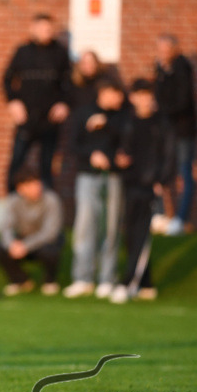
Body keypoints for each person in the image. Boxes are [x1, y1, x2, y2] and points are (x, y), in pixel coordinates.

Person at [110, 79, 175, 304]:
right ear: (133, 97)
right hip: (129, 183)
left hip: (150, 186)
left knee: (142, 235)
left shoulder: (161, 122)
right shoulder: (126, 120)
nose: (144, 99)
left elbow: (169, 154)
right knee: (131, 234)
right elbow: (119, 148)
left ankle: (127, 283)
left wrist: (162, 180)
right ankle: (146, 284)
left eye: (147, 95)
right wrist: (118, 159)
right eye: (139, 95)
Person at [63, 77, 128, 299]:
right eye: (115, 93)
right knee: (85, 225)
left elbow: (126, 142)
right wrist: (92, 155)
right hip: (87, 176)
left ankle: (107, 278)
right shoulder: (83, 113)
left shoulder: (122, 115)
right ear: (104, 91)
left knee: (111, 228)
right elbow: (72, 145)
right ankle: (83, 278)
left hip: (113, 177)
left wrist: (107, 126)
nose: (119, 98)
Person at [2, 13, 72, 192]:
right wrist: (13, 102)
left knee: (47, 165)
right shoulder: (23, 51)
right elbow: (7, 79)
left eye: (49, 29)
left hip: (50, 120)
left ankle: (46, 208)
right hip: (26, 118)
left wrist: (64, 104)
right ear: (33, 29)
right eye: (41, 28)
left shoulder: (60, 53)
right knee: (17, 161)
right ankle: (11, 202)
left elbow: (70, 83)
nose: (46, 32)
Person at [0, 166, 64, 296]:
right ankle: (21, 281)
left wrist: (26, 245)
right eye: (31, 185)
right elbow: (5, 227)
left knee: (51, 251)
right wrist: (11, 244)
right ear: (21, 189)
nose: (36, 188)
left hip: (44, 242)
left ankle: (50, 281)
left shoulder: (51, 200)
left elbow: (50, 232)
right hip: (22, 239)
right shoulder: (13, 201)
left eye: (37, 183)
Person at [153, 34, 197, 236]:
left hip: (182, 131)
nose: (162, 53)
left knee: (184, 173)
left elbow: (183, 101)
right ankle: (161, 215)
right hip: (165, 130)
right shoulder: (161, 68)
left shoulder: (182, 68)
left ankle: (181, 219)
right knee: (162, 171)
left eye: (165, 49)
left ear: (174, 49)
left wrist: (162, 110)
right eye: (159, 49)